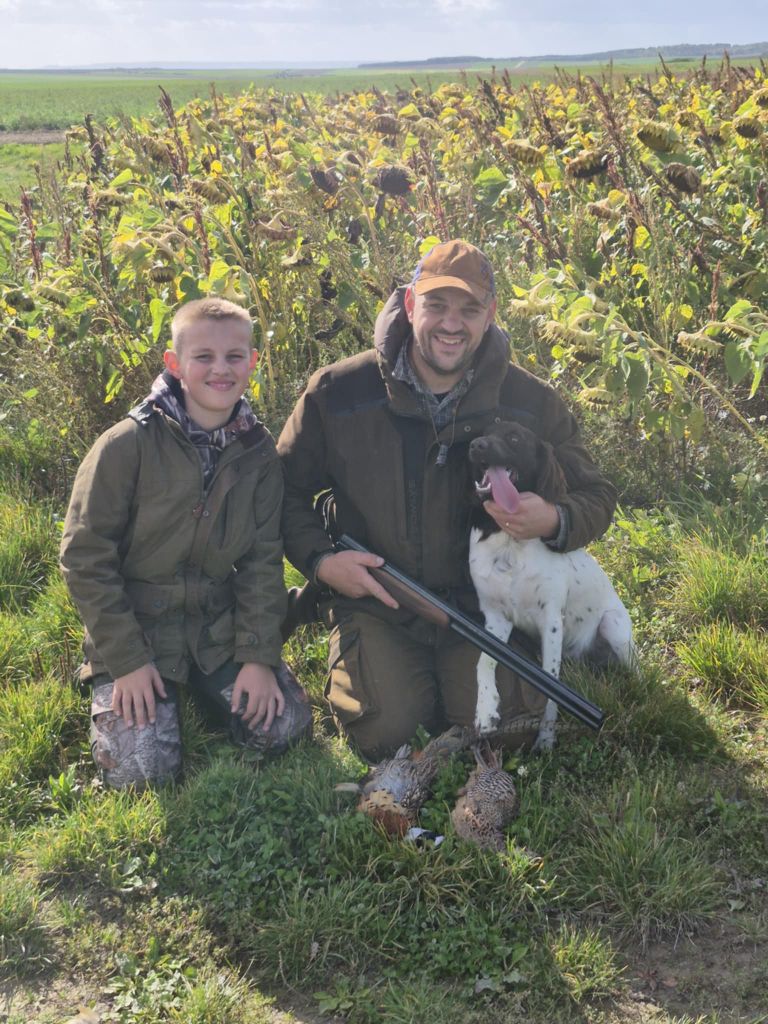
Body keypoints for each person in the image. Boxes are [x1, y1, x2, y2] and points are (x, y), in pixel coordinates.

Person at [278, 239, 617, 762]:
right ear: (411, 304)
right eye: (436, 305)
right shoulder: (337, 391)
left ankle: (455, 692)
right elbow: (285, 494)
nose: (451, 324)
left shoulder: (530, 401)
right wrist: (324, 564)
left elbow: (597, 494)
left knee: (512, 732)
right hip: (378, 600)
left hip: (479, 609)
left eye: (469, 309)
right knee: (385, 732)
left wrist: (554, 519)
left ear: (491, 316)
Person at [60, 297, 311, 788]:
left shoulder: (258, 455)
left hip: (215, 630)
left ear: (252, 361)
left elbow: (263, 562)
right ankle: (116, 681)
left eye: (235, 356)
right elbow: (84, 557)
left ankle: (202, 682)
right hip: (137, 631)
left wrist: (259, 657)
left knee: (286, 729)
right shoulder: (125, 445)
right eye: (204, 357)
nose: (221, 369)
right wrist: (127, 661)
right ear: (175, 364)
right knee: (142, 773)